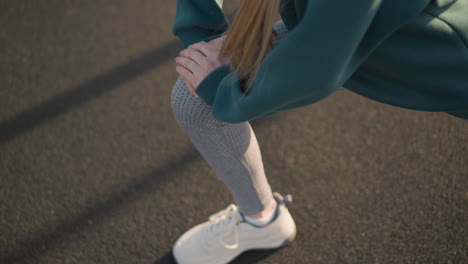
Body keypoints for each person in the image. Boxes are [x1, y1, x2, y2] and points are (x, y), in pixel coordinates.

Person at [170, 0, 468, 263]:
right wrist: (201, 40)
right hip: (340, 33)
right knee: (193, 101)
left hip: (440, 55)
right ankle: (261, 220)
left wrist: (219, 88)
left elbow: (315, 71)